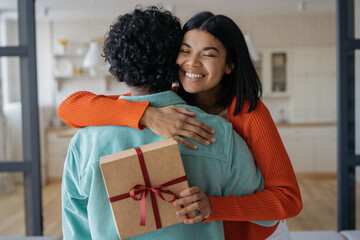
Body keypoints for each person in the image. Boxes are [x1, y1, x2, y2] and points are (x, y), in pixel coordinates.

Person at [58, 10, 302, 240]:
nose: (192, 63)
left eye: (208, 54)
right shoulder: (173, 104)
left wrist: (213, 207)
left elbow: (287, 201)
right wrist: (146, 115)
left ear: (230, 65)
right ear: (172, 58)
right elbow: (69, 108)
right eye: (185, 51)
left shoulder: (248, 112)